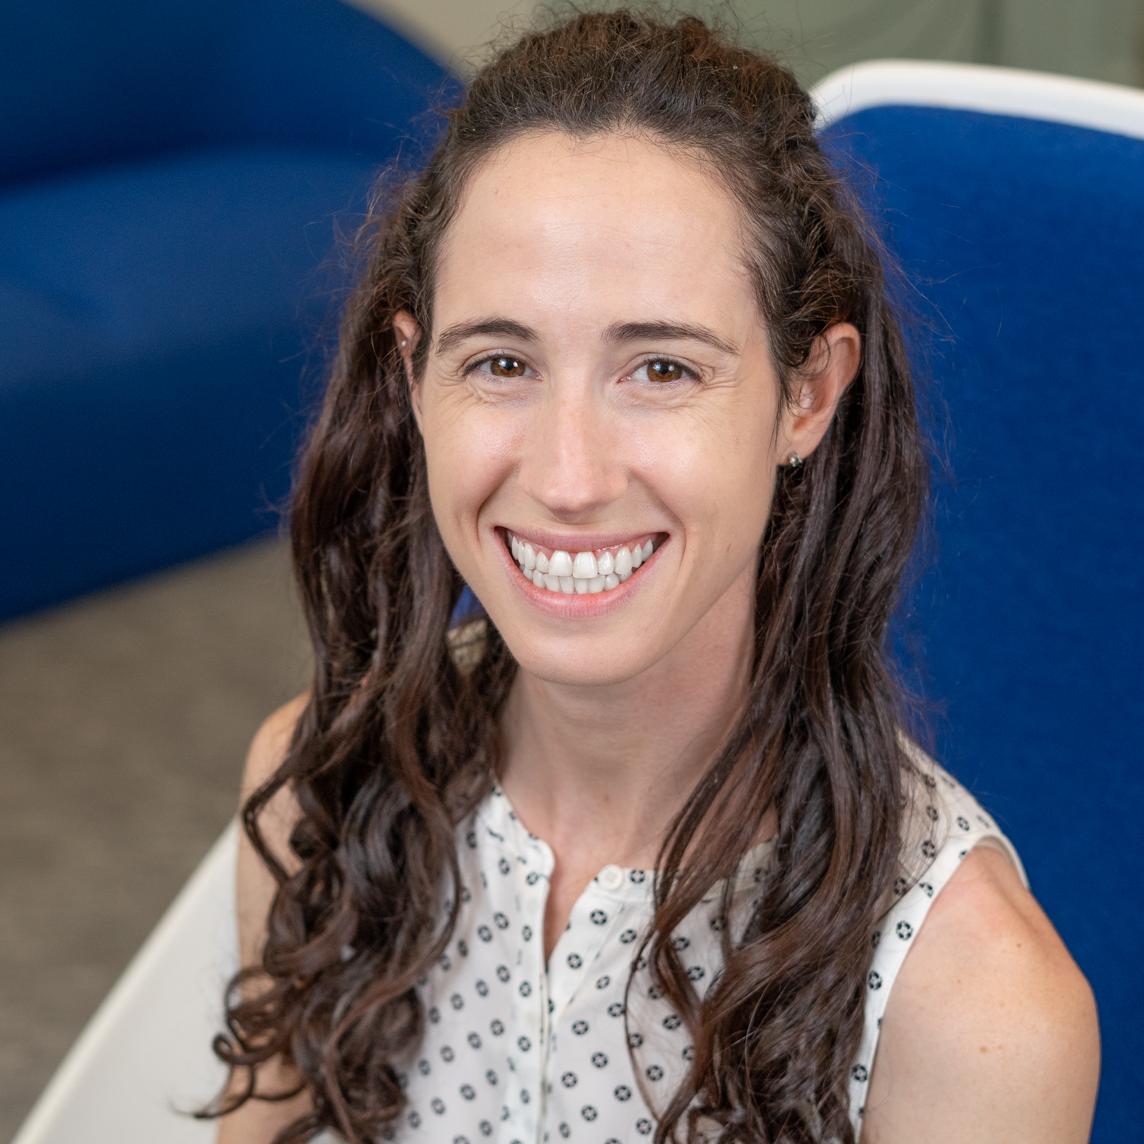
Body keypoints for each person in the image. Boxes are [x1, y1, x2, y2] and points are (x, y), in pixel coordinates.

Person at [197, 5, 1099, 1142]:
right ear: (415, 373)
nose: (568, 476)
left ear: (806, 394)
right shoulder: (318, 791)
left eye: (661, 366)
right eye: (503, 360)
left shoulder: (973, 1008)